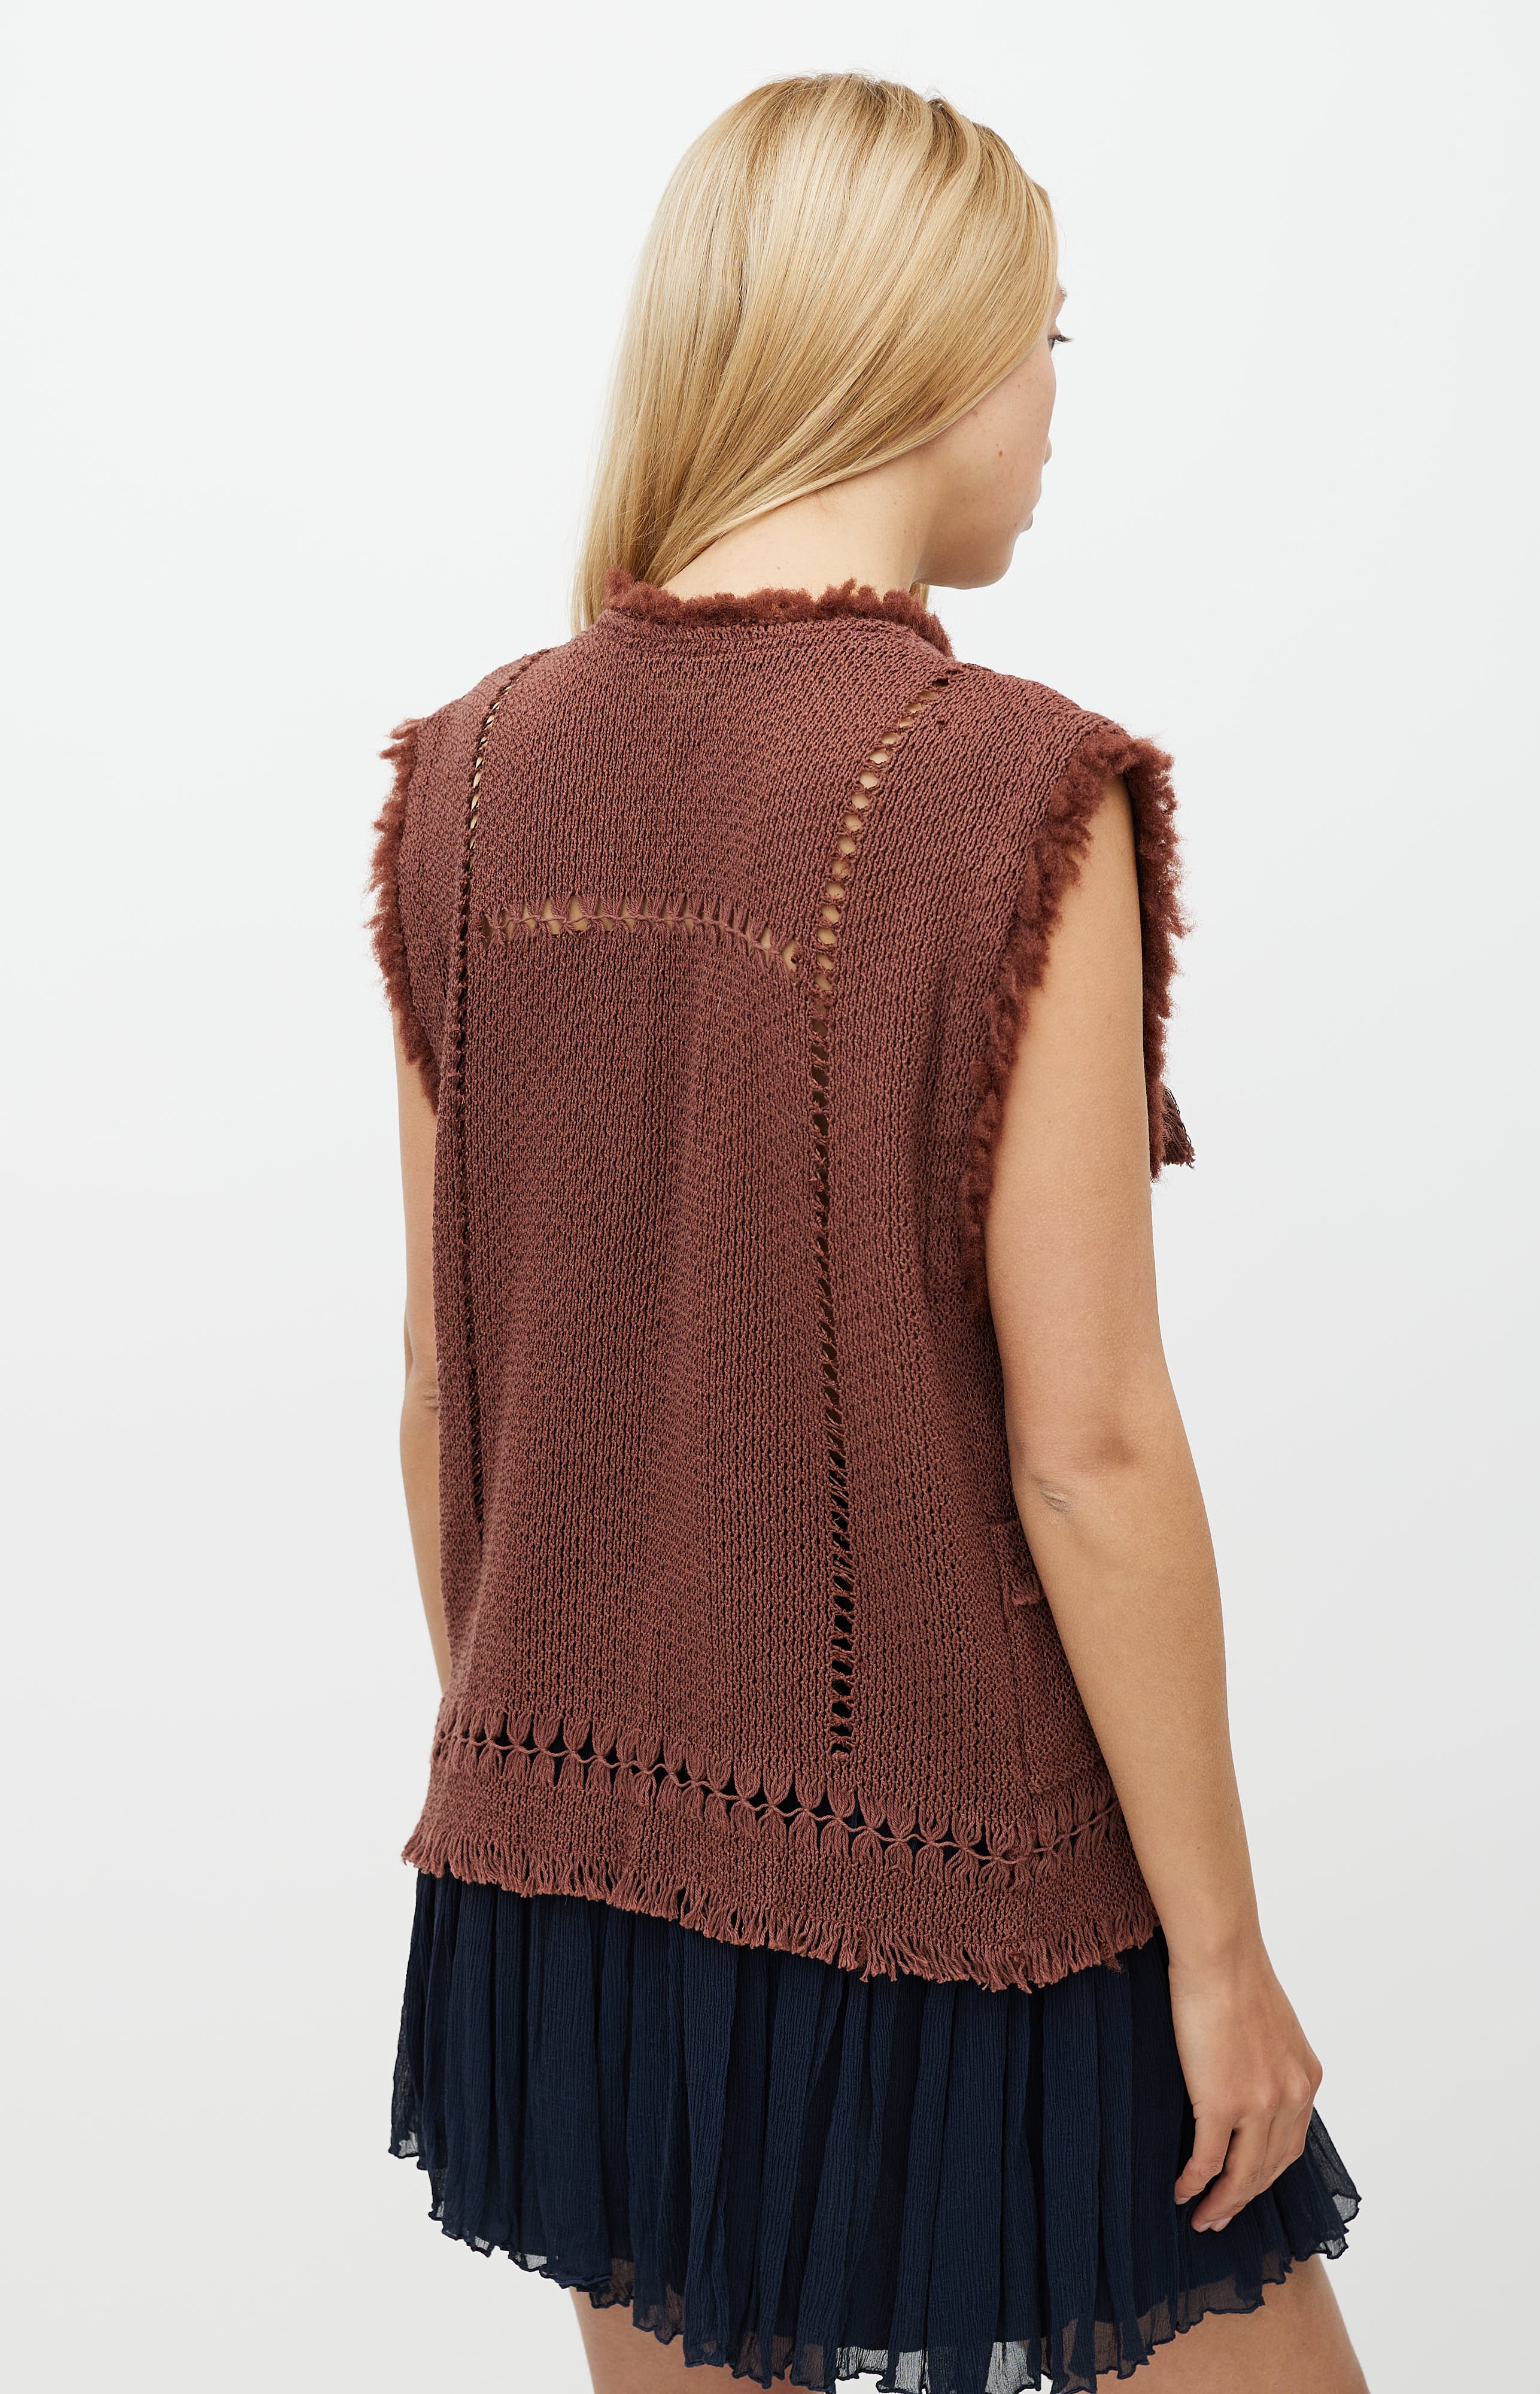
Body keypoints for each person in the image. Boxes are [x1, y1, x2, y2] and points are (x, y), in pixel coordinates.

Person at [370, 71, 1366, 2394]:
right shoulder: (1012, 786)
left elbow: (443, 1390)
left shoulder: (467, 778)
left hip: (564, 1876)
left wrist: (543, 1799)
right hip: (968, 1903)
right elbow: (1086, 1448)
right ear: (920, 350)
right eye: (1046, 337)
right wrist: (1220, 1957)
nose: (1053, 403)